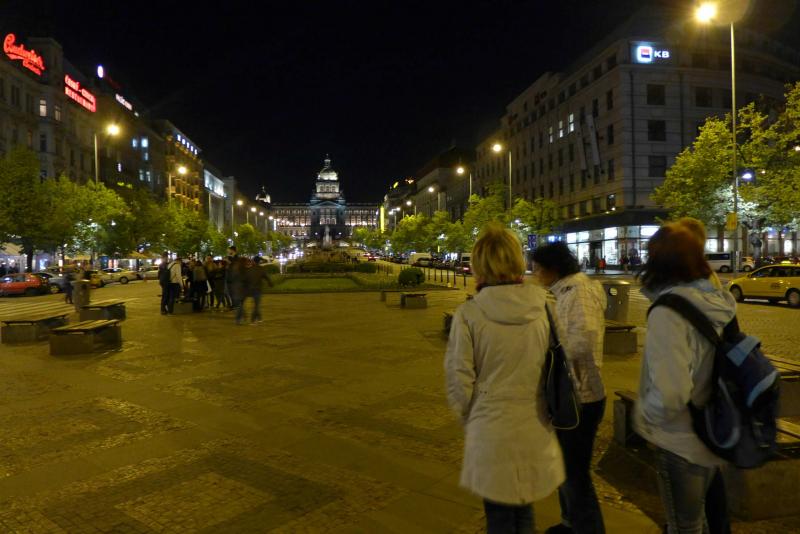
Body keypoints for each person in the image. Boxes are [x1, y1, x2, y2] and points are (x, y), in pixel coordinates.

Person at [445, 223, 565, 534]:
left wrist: (470, 417)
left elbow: (459, 379)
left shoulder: (469, 314)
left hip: (491, 426)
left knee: (499, 515)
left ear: (479, 264)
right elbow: (558, 364)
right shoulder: (545, 307)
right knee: (523, 508)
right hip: (535, 421)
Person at [634, 223, 735, 534]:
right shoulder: (715, 301)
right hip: (711, 429)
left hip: (679, 439)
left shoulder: (668, 312)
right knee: (698, 521)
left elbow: (671, 392)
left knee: (685, 526)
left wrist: (645, 417)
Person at [533, 243, 607, 534]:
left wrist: (547, 351)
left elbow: (583, 340)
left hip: (581, 394)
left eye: (538, 268)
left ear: (553, 268)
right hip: (570, 391)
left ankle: (588, 528)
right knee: (565, 466)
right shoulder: (565, 290)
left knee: (575, 471)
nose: (535, 274)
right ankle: (570, 523)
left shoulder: (577, 292)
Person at [237, 257, 273, 324]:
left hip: (248, 289)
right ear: (259, 262)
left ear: (253, 261)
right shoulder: (261, 269)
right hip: (257, 289)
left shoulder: (248, 269)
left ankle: (241, 319)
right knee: (256, 305)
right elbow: (267, 277)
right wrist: (270, 283)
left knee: (242, 303)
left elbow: (244, 279)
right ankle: (253, 320)